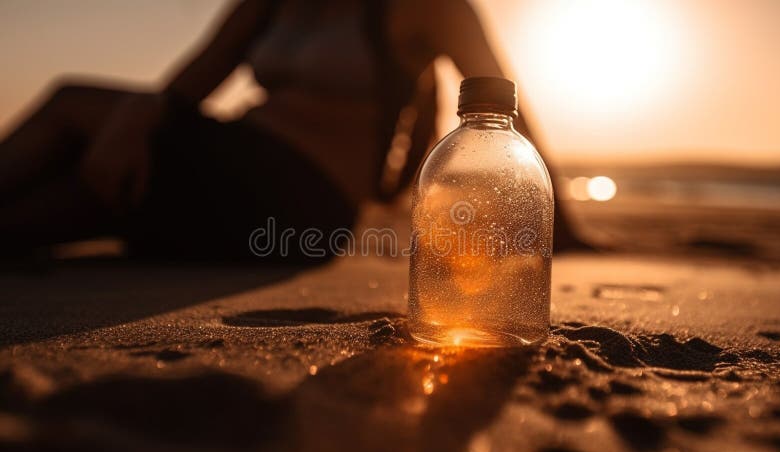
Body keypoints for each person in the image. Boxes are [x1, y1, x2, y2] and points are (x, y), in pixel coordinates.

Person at [0, 0, 587, 261]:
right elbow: (185, 86)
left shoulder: (427, 5)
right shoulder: (269, 2)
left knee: (71, 106)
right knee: (74, 190)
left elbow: (503, 109)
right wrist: (131, 120)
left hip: (304, 202)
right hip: (228, 161)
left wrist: (561, 221)